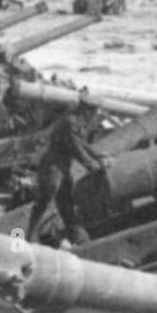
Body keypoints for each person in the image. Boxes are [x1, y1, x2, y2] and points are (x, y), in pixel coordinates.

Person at [26, 104, 103, 246]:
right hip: (52, 168)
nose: (94, 115)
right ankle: (30, 237)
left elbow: (82, 144)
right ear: (87, 110)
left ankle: (80, 239)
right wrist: (91, 165)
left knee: (67, 205)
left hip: (62, 169)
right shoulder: (70, 123)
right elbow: (75, 148)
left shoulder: (77, 121)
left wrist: (99, 155)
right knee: (44, 202)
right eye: (94, 112)